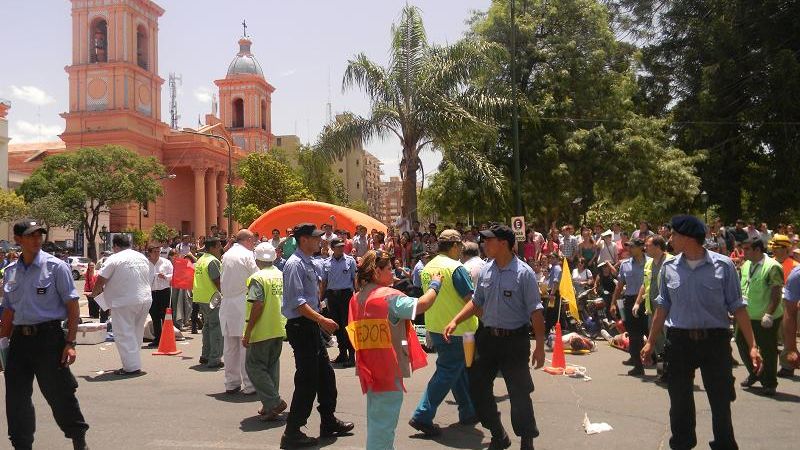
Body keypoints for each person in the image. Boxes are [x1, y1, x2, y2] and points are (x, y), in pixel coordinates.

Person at [642, 215, 763, 450]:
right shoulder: (668, 268)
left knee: (720, 401)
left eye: (674, 235)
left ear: (688, 237)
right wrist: (650, 342)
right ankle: (682, 444)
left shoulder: (724, 266)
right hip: (679, 342)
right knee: (679, 402)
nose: (670, 239)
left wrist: (753, 345)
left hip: (714, 342)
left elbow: (738, 308)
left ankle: (724, 445)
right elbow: (662, 307)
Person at [445, 224, 546, 450]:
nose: (485, 244)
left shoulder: (524, 273)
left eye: (489, 240)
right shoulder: (486, 270)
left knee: (519, 392)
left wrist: (539, 346)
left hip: (515, 341)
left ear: (503, 244)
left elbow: (536, 312)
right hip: (488, 338)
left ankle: (526, 440)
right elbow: (476, 301)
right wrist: (455, 320)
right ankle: (498, 434)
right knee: (478, 387)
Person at [0, 219, 90, 450]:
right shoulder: (11, 272)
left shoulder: (56, 267)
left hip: (49, 339)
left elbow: (72, 305)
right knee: (16, 399)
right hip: (20, 341)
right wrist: (1, 342)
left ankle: (78, 439)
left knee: (59, 394)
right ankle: (21, 444)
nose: (36, 240)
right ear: (18, 240)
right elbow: (9, 310)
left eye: (39, 235)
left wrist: (70, 343)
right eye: (30, 236)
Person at [350, 250, 441, 450]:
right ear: (376, 271)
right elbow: (423, 304)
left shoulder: (359, 297)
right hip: (387, 370)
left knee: (378, 422)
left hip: (369, 367)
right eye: (389, 268)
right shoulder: (388, 297)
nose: (393, 272)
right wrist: (435, 284)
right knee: (383, 428)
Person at [280, 223, 354, 449]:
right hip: (302, 326)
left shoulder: (309, 262)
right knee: (307, 380)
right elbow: (297, 303)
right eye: (315, 238)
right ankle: (292, 432)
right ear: (303, 240)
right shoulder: (294, 265)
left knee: (325, 376)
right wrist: (322, 320)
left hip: (311, 325)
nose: (320, 241)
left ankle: (328, 421)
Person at [409, 229, 478, 437]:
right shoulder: (456, 268)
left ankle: (468, 411)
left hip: (436, 327)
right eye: (460, 247)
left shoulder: (428, 267)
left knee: (457, 371)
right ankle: (422, 414)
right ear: (455, 246)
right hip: (459, 329)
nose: (461, 252)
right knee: (448, 371)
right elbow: (471, 300)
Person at [92, 234, 153, 375]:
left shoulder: (114, 258)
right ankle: (134, 362)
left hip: (124, 301)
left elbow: (101, 279)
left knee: (123, 333)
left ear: (116, 246)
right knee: (136, 332)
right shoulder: (141, 257)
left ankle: (131, 367)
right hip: (144, 298)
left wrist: (94, 293)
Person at [242, 243, 288, 421]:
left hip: (262, 329)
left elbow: (257, 304)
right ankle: (270, 405)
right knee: (271, 367)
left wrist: (248, 332)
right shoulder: (279, 275)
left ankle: (274, 402)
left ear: (256, 258)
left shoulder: (257, 278)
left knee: (254, 366)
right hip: (278, 326)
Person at [736, 237, 783, 395]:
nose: (744, 252)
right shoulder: (746, 265)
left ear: (757, 250)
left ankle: (770, 382)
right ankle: (756, 373)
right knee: (742, 343)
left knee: (768, 350)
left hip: (764, 317)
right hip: (746, 315)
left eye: (747, 249)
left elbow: (776, 294)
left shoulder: (772, 267)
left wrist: (769, 315)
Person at [219, 229, 259, 395]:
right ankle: (249, 384)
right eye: (253, 240)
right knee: (245, 346)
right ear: (248, 240)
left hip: (227, 303)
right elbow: (257, 278)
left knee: (230, 347)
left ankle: (231, 383)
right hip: (242, 302)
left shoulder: (227, 254)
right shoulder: (247, 255)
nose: (254, 243)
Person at [633, 235, 671, 382]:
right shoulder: (649, 264)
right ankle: (662, 373)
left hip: (668, 311)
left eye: (648, 245)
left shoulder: (670, 261)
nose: (645, 248)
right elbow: (644, 284)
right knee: (657, 342)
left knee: (669, 341)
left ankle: (673, 372)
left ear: (657, 246)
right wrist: (637, 302)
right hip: (652, 310)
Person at [610, 237, 650, 376]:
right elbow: (620, 286)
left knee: (650, 332)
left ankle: (655, 359)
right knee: (633, 334)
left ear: (641, 247)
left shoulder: (650, 263)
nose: (629, 249)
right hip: (629, 301)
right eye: (629, 246)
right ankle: (638, 365)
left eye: (632, 246)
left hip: (647, 302)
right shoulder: (625, 264)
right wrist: (613, 303)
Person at [320, 237, 357, 367]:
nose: (341, 248)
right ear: (332, 248)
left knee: (348, 325)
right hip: (332, 296)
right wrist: (320, 298)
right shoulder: (326, 263)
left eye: (342, 246)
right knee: (337, 326)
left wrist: (357, 295)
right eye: (338, 246)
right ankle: (342, 353)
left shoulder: (350, 261)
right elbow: (324, 282)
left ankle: (352, 355)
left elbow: (354, 280)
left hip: (346, 295)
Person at [770, 234, 800, 377]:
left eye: (779, 247)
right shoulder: (768, 263)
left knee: (786, 332)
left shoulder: (795, 267)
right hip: (771, 301)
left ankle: (787, 365)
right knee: (770, 336)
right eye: (773, 247)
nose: (775, 250)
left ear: (787, 249)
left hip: (789, 303)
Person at [192, 237, 224, 369]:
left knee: (207, 326)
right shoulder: (212, 261)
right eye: (218, 246)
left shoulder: (201, 260)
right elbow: (217, 280)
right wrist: (224, 293)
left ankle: (205, 355)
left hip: (201, 296)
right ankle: (214, 358)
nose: (220, 248)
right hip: (212, 297)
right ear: (211, 248)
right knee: (216, 327)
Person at [146, 246, 173, 348]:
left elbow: (173, 274)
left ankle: (167, 338)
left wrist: (165, 276)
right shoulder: (146, 264)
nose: (157, 253)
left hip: (164, 291)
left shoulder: (166, 262)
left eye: (159, 251)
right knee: (154, 316)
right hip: (151, 292)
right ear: (150, 253)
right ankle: (157, 339)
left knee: (165, 316)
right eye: (155, 251)